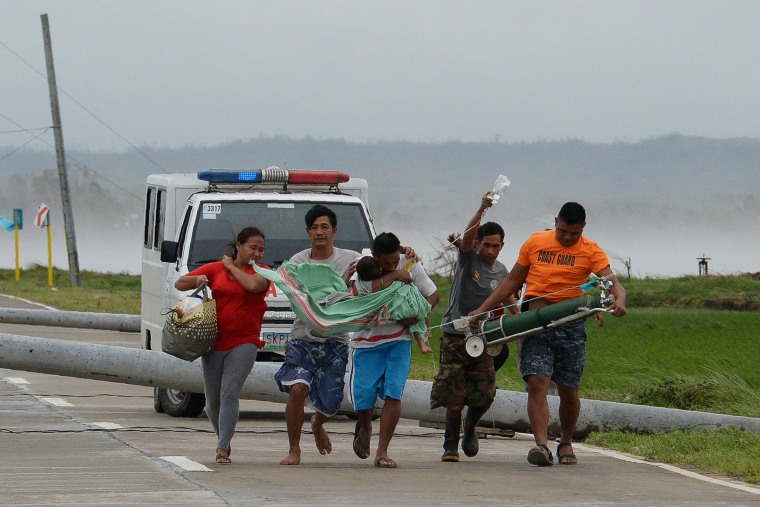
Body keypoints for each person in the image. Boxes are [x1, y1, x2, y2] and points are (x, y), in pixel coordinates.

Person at [469, 202, 627, 466]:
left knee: (568, 388)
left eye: (573, 233)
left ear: (583, 229)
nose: (567, 237)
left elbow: (614, 284)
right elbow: (512, 280)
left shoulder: (591, 250)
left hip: (571, 324)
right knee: (537, 382)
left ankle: (565, 441)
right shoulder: (536, 242)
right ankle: (540, 445)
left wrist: (619, 300)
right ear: (556, 222)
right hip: (535, 322)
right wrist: (483, 309)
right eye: (563, 231)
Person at [275, 205, 420, 466]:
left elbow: (380, 254)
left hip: (336, 340)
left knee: (331, 405)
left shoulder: (351, 258)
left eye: (325, 227)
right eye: (315, 228)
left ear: (334, 231)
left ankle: (318, 422)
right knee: (297, 389)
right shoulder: (298, 262)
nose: (320, 232)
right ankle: (294, 449)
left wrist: (405, 250)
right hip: (302, 337)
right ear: (308, 232)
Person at [430, 194, 518, 462]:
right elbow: (466, 238)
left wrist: (524, 319)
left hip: (484, 341)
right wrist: (481, 208)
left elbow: (511, 301)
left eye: (495, 246)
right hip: (456, 335)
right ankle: (450, 445)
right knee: (453, 393)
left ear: (502, 246)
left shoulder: (502, 272)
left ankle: (471, 426)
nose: (490, 251)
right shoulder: (469, 260)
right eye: (486, 245)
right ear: (478, 244)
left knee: (485, 393)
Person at [174, 226, 271, 465]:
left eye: (261, 250)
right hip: (214, 342)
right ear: (239, 245)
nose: (257, 254)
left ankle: (221, 448)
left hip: (245, 341)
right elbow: (180, 283)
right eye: (253, 248)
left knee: (229, 393)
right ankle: (224, 439)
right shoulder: (215, 269)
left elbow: (252, 286)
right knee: (212, 403)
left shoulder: (264, 272)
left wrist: (229, 266)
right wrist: (197, 278)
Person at [350, 232, 439, 468]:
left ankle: (383, 450)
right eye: (385, 263)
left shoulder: (410, 263)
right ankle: (365, 424)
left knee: (394, 392)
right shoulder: (364, 265)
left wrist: (416, 314)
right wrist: (397, 275)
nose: (390, 266)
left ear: (399, 251)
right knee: (364, 395)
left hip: (399, 340)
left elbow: (433, 295)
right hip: (367, 342)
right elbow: (361, 292)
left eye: (393, 262)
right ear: (375, 256)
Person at [354, 255, 433, 355]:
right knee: (422, 317)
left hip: (394, 310)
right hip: (404, 304)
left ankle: (423, 343)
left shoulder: (366, 285)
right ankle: (426, 334)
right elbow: (407, 279)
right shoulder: (386, 280)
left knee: (416, 322)